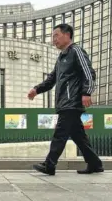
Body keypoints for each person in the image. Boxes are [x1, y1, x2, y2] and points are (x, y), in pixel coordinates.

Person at [28, 23, 104, 175]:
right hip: (65, 102)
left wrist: (87, 92)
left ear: (67, 34)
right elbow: (51, 79)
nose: (53, 39)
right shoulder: (61, 57)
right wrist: (37, 89)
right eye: (52, 37)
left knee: (60, 133)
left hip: (72, 102)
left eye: (56, 35)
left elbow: (89, 73)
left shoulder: (76, 51)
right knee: (78, 136)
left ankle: (49, 164)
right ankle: (95, 164)